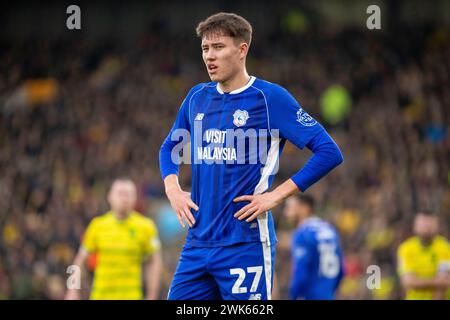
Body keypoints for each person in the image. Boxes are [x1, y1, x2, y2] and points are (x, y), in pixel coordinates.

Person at [159, 12, 343, 300]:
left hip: (245, 243)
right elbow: (170, 147)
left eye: (218, 47)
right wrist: (173, 189)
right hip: (197, 243)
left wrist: (277, 196)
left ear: (242, 49)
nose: (210, 56)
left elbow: (329, 151)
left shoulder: (270, 99)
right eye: (205, 49)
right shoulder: (197, 97)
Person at [65, 178, 162, 300]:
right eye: (120, 193)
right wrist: (72, 290)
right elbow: (79, 261)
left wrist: (152, 295)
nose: (124, 198)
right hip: (100, 296)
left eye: (128, 194)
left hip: (131, 296)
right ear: (109, 196)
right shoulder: (97, 226)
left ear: (135, 198)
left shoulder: (146, 227)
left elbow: (154, 262)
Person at [284, 195, 344, 299]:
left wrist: (293, 296)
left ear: (305, 208)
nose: (286, 213)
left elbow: (300, 273)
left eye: (290, 207)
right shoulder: (329, 229)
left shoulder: (303, 234)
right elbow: (341, 270)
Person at [397, 211, 450, 300]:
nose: (426, 228)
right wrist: (435, 281)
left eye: (430, 225)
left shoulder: (445, 248)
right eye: (423, 225)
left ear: (437, 227)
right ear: (415, 227)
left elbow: (443, 283)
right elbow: (408, 282)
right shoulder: (406, 249)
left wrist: (418, 281)